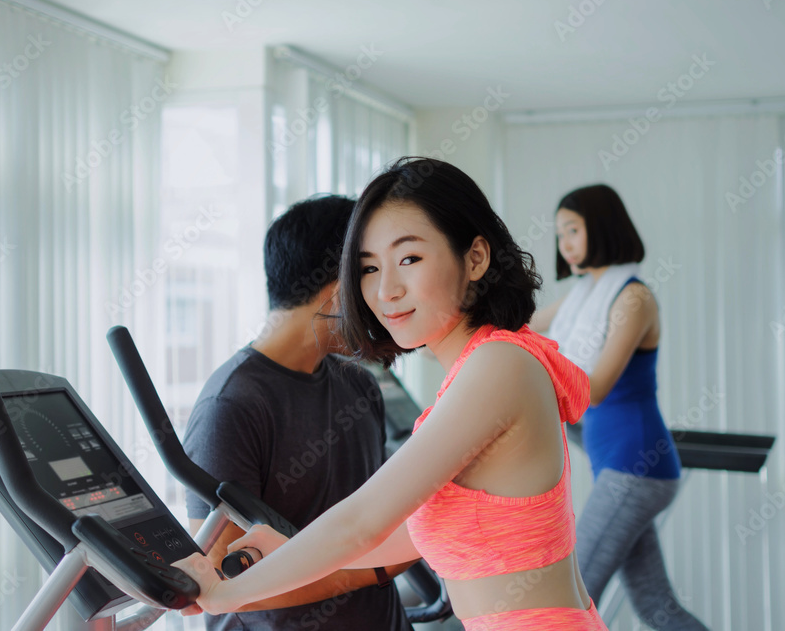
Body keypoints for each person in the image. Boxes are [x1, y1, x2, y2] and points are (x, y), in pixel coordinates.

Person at [175, 157, 609, 631]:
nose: (385, 290)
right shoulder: (477, 368)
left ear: (476, 258)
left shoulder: (497, 365)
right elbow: (397, 536)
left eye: (409, 259)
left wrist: (225, 594)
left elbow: (360, 523)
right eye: (368, 268)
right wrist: (285, 548)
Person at [182, 195, 414, 631]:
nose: (385, 301)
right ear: (339, 289)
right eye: (371, 275)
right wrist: (384, 565)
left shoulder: (359, 384)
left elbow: (383, 519)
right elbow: (225, 582)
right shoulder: (231, 406)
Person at [528, 184, 708, 630]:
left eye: (573, 229)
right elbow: (520, 329)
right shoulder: (582, 298)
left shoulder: (633, 298)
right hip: (622, 470)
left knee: (570, 599)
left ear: (602, 227)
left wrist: (526, 393)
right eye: (558, 234)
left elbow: (596, 388)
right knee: (657, 607)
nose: (564, 243)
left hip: (637, 470)